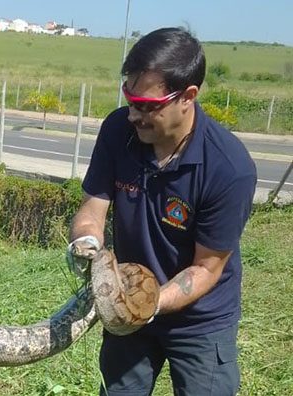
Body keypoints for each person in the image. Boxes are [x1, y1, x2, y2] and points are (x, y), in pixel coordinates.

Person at [66, 28, 257, 395]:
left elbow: (206, 269)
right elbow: (92, 208)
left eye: (147, 105)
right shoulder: (116, 131)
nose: (134, 114)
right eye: (129, 98)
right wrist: (86, 242)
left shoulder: (228, 168)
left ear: (188, 96)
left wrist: (147, 303)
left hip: (200, 321)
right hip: (129, 312)